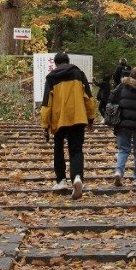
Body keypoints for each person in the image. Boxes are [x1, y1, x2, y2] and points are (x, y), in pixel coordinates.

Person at [39, 51, 97, 198]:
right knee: (76, 150)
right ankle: (77, 177)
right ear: (68, 60)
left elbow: (47, 103)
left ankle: (61, 180)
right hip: (78, 117)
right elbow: (89, 99)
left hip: (58, 119)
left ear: (56, 63)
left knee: (58, 149)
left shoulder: (51, 78)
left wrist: (45, 125)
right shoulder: (79, 74)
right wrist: (91, 118)